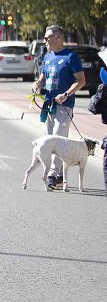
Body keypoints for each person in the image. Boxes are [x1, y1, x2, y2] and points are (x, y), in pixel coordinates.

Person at [32, 25, 85, 190]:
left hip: (64, 106)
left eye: (47, 38)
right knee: (49, 140)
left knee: (57, 140)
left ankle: (53, 175)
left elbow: (81, 80)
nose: (45, 41)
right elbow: (43, 77)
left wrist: (67, 94)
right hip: (49, 105)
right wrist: (37, 84)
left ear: (58, 38)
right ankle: (58, 175)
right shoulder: (48, 57)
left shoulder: (70, 57)